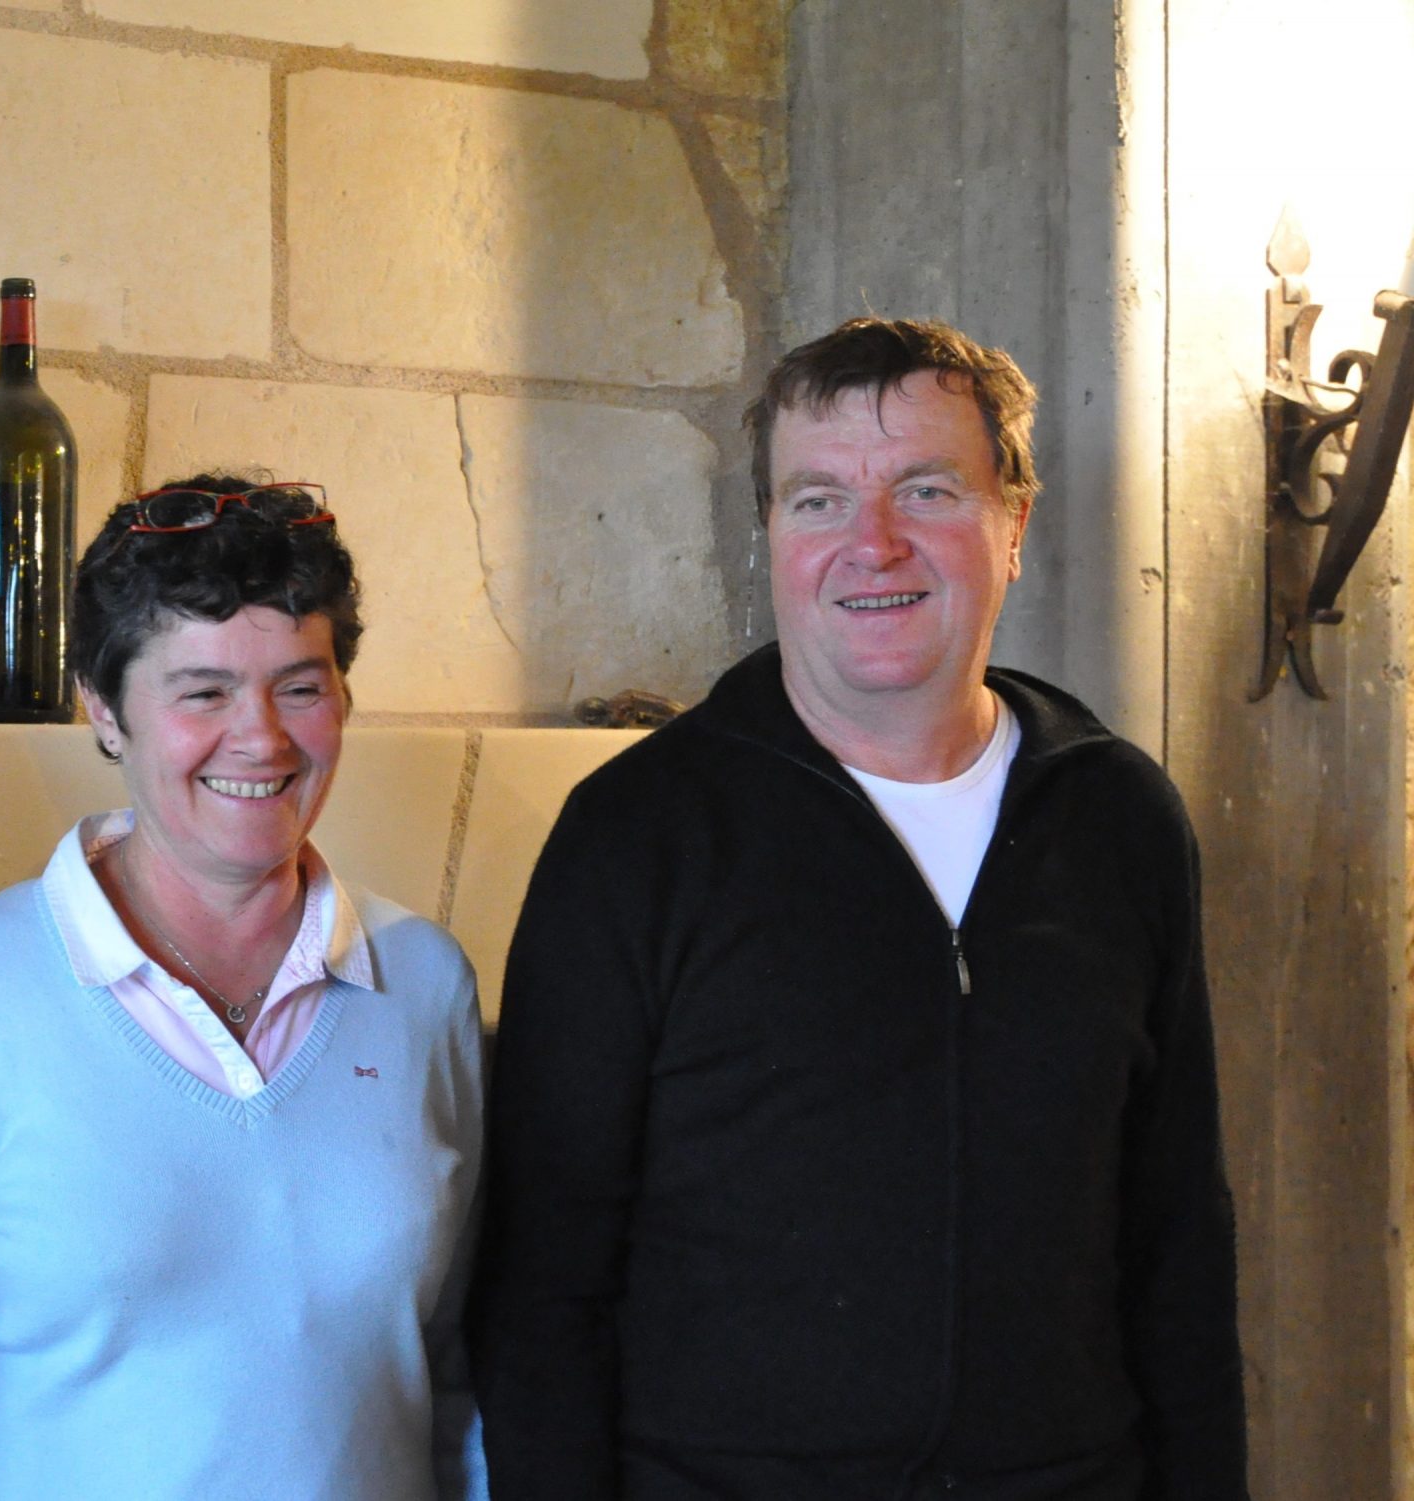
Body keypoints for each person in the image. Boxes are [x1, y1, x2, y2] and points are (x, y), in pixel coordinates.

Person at [472, 318, 1248, 1499]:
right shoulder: (636, 837)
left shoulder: (1118, 818)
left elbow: (1177, 1236)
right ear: (771, 535)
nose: (870, 542)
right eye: (818, 500)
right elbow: (543, 1284)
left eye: (926, 489)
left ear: (1014, 522)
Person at [0, 476, 488, 1500]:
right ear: (104, 707)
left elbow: (454, 1357)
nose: (261, 737)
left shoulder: (424, 985)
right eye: (203, 691)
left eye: (300, 687)